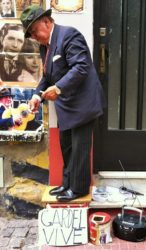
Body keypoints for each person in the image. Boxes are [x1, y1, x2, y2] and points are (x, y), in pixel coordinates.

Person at [21, 5, 106, 202]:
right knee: (66, 146)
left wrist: (58, 88)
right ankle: (67, 184)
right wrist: (37, 96)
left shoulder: (69, 35)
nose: (34, 37)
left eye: (34, 31)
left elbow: (82, 67)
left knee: (79, 149)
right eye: (31, 35)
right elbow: (48, 76)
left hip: (83, 104)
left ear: (46, 22)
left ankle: (78, 190)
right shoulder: (45, 46)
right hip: (67, 106)